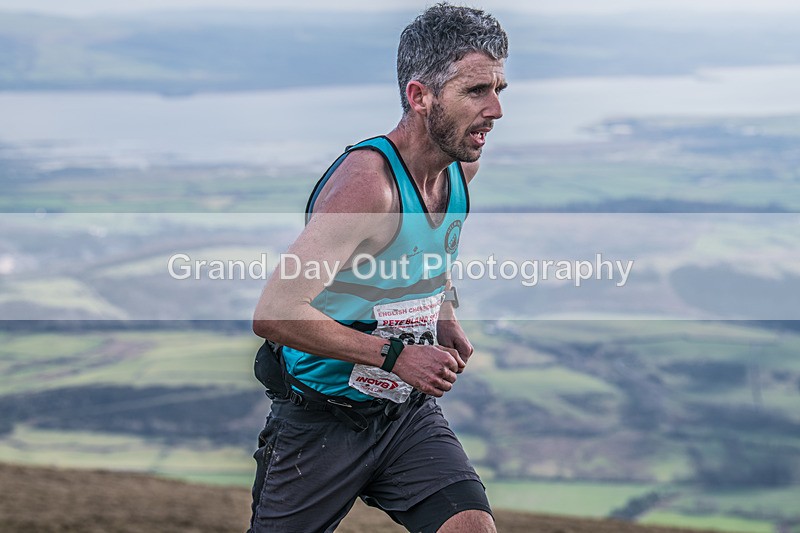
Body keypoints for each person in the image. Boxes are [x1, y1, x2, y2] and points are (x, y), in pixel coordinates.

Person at [249, 3, 507, 532]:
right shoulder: (368, 186)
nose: (496, 110)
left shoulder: (461, 169)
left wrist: (444, 313)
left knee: (471, 526)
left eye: (499, 89)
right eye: (477, 91)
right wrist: (396, 356)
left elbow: (427, 257)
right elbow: (275, 313)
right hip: (320, 420)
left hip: (403, 415)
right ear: (420, 96)